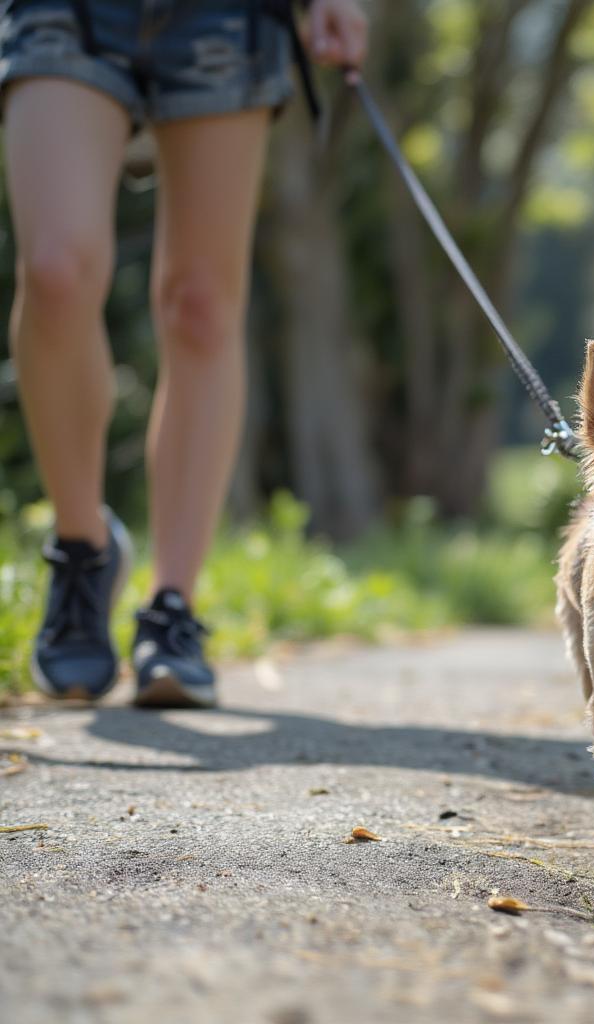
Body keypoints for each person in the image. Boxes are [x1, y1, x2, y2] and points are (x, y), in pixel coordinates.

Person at [1, 0, 367, 708]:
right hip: (63, 12)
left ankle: (172, 607)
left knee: (200, 305)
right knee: (54, 272)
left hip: (226, 17)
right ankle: (82, 550)